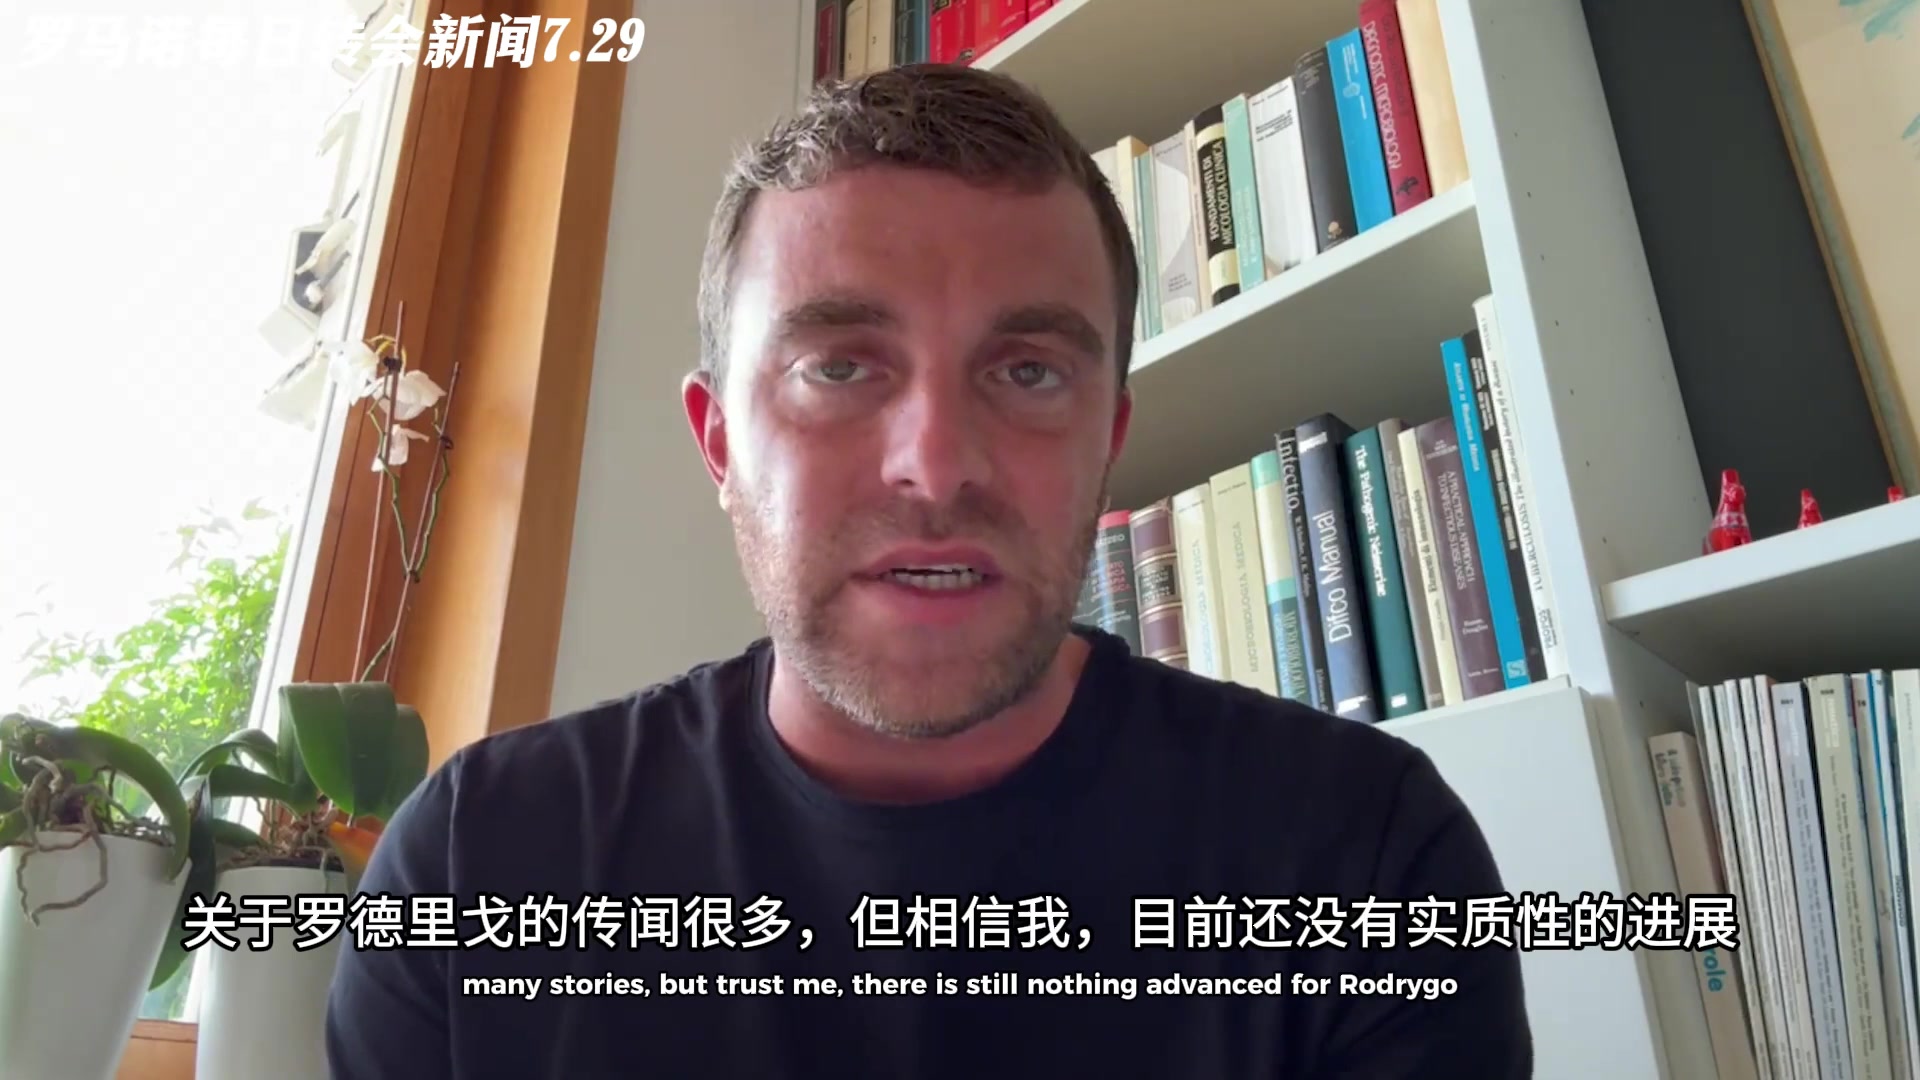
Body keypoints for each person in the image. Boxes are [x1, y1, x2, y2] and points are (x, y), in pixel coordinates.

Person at [324, 63, 1531, 1078]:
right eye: (840, 368)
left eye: (1028, 372)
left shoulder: (1370, 863)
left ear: (1106, 439)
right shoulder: (477, 870)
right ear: (720, 442)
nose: (938, 466)